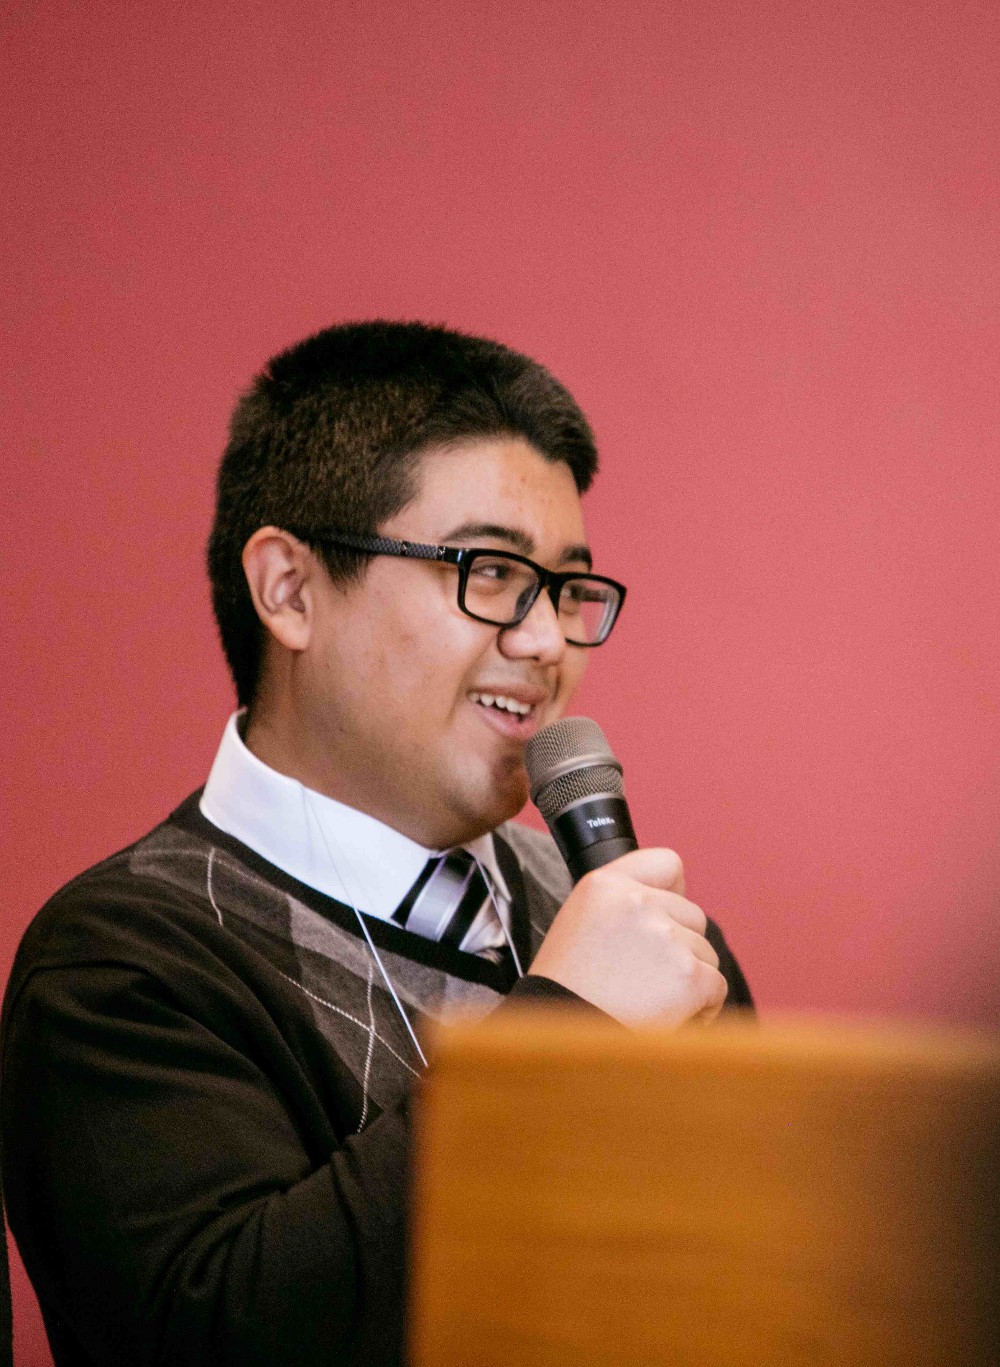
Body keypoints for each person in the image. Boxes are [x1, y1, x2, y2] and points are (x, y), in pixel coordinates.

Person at [0, 321, 753, 1367]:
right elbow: (231, 1332)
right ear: (290, 590)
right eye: (491, 571)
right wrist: (562, 1036)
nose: (545, 641)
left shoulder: (642, 936)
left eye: (566, 588)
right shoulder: (123, 964)